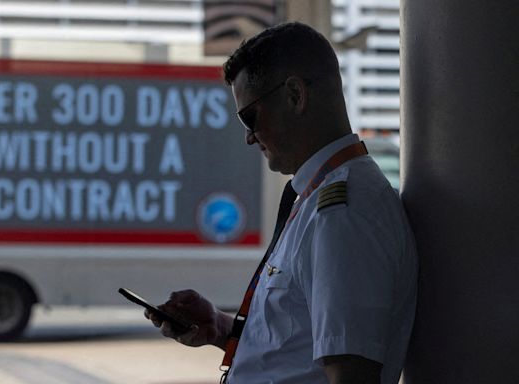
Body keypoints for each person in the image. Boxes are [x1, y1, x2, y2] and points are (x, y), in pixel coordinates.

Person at [145, 22, 418, 384]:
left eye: (249, 116)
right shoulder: (316, 199)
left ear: (294, 95)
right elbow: (296, 346)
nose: (248, 137)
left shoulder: (343, 213)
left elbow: (351, 375)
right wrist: (218, 326)